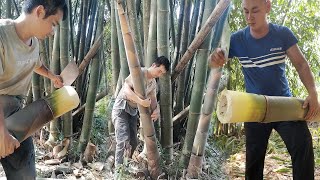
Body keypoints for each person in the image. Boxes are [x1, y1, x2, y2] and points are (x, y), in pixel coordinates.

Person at [210, 0, 319, 179]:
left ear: (267, 7)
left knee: (303, 146)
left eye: (255, 11)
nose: (249, 17)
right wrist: (214, 59)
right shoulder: (237, 39)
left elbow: (301, 65)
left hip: (284, 104)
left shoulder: (282, 34)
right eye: (245, 12)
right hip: (254, 108)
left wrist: (313, 93)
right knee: (253, 159)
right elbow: (213, 61)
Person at [0, 0, 67, 179]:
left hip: (15, 110)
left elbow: (35, 63)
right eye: (53, 24)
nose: (53, 32)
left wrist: (52, 76)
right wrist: (1, 131)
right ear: (39, 11)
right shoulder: (2, 35)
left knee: (25, 168)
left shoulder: (34, 44)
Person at [112, 56, 170, 168]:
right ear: (153, 65)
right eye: (159, 71)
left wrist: (156, 110)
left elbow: (153, 100)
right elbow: (126, 90)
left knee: (134, 142)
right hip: (121, 108)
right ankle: (118, 172)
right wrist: (141, 101)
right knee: (123, 140)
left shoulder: (153, 83)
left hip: (132, 112)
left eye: (161, 73)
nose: (158, 74)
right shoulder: (139, 72)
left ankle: (125, 166)